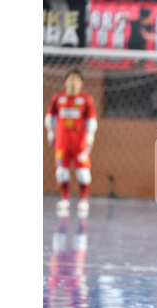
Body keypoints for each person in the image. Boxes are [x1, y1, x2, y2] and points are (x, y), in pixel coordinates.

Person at [45, 69, 97, 218]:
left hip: (80, 145)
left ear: (81, 83)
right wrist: (50, 133)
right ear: (65, 82)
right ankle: (64, 199)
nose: (73, 83)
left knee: (83, 173)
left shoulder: (86, 99)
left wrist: (90, 137)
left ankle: (83, 200)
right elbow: (50, 117)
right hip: (62, 144)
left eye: (76, 80)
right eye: (70, 79)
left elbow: (91, 119)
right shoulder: (58, 98)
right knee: (61, 172)